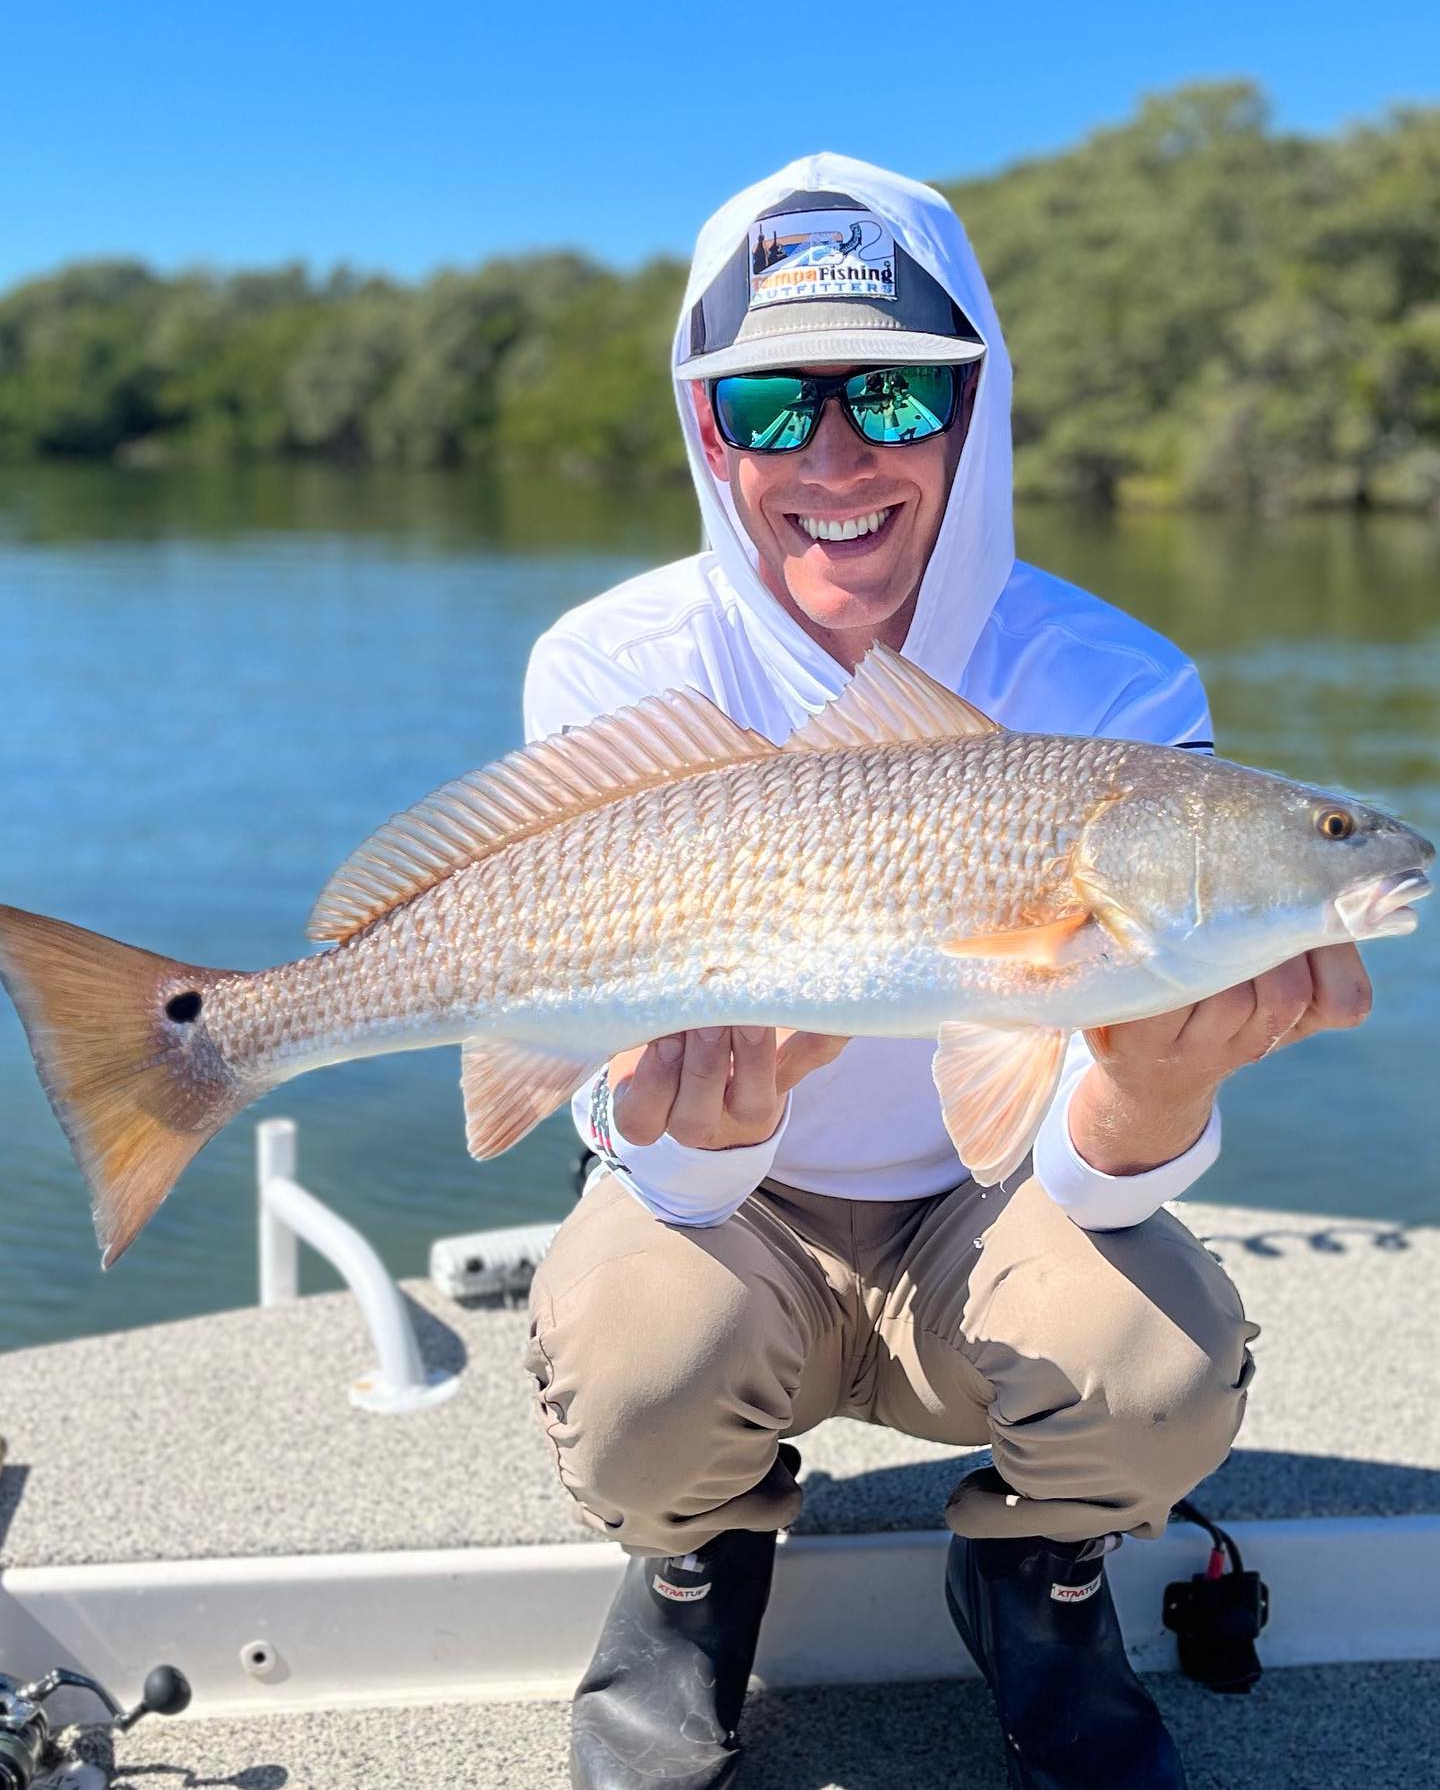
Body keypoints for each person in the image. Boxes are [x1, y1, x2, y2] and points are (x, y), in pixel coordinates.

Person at [521, 155, 1372, 1790]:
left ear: (975, 407)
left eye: (896, 392)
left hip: (986, 1216)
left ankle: (1036, 1577)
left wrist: (1150, 1079)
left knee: (1159, 1368)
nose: (832, 454)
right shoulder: (612, 665)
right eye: (769, 409)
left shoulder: (1114, 684)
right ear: (708, 434)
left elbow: (1079, 1173)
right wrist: (697, 1127)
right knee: (635, 1364)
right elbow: (613, 1121)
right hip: (733, 1214)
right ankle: (697, 1570)